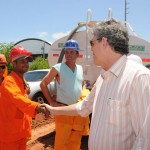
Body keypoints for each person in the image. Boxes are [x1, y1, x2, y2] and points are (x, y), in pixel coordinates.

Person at [45, 19, 150, 150]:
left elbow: (145, 140)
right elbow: (84, 107)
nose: (90, 48)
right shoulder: (102, 77)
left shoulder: (139, 78)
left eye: (92, 43)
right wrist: (54, 109)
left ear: (104, 42)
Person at [40, 39, 90, 150]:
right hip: (63, 110)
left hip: (77, 111)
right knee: (61, 143)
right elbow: (43, 84)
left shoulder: (80, 69)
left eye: (72, 52)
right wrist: (52, 103)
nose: (68, 55)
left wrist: (84, 92)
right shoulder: (58, 68)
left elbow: (82, 84)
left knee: (75, 142)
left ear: (77, 54)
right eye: (67, 52)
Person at [0, 46, 49, 150]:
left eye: (27, 61)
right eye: (22, 61)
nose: (26, 64)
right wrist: (37, 107)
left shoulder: (22, 80)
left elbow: (24, 100)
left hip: (21, 131)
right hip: (10, 135)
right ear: (14, 63)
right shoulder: (9, 82)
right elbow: (17, 98)